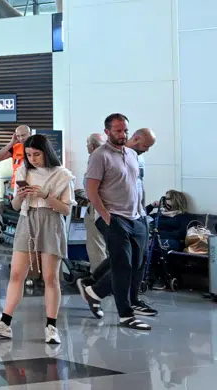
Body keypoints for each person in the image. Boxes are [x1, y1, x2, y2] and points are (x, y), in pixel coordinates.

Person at [0, 133, 73, 345]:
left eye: (36, 154)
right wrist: (21, 195)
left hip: (51, 222)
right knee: (16, 274)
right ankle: (5, 322)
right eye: (29, 154)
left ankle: (51, 326)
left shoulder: (62, 175)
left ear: (46, 152)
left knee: (50, 277)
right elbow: (14, 206)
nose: (32, 158)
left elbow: (66, 209)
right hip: (26, 219)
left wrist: (45, 196)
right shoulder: (23, 170)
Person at [79, 116, 155, 329]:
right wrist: (105, 215)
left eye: (125, 131)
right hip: (114, 217)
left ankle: (94, 291)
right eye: (118, 131)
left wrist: (141, 213)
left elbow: (135, 186)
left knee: (136, 264)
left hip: (136, 217)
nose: (123, 135)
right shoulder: (99, 156)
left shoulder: (132, 154)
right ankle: (126, 314)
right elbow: (91, 190)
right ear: (108, 131)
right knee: (122, 265)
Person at [81, 131, 109, 271]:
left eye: (87, 144)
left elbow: (91, 187)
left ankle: (100, 280)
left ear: (91, 146)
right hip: (113, 208)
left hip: (97, 208)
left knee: (96, 246)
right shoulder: (111, 157)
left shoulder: (95, 159)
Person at [0, 125, 32, 192]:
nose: (21, 138)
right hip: (17, 185)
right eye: (18, 136)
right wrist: (11, 143)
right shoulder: (16, 147)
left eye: (23, 135)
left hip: (32, 185)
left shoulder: (38, 147)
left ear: (30, 134)